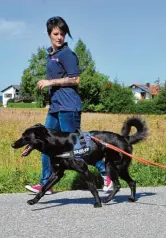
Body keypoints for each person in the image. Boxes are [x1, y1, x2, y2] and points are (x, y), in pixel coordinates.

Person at [25, 16, 112, 195]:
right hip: (55, 108)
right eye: (56, 33)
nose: (59, 37)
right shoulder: (52, 55)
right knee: (45, 144)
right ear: (49, 33)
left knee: (77, 146)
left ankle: (106, 173)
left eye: (62, 34)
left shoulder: (67, 54)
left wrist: (50, 83)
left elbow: (76, 79)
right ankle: (45, 185)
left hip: (69, 107)